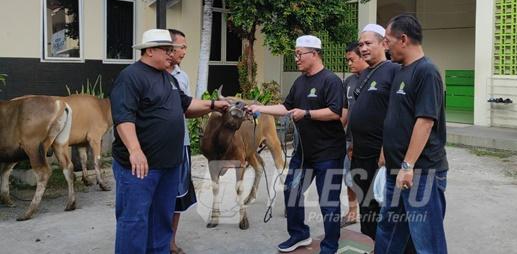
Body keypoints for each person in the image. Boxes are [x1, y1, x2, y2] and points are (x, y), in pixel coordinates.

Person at [111, 28, 229, 254]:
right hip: (140, 168)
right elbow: (123, 117)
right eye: (167, 49)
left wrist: (213, 105)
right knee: (134, 221)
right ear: (150, 50)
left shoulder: (168, 78)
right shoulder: (131, 76)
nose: (171, 54)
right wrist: (135, 150)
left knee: (161, 220)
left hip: (168, 165)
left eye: (171, 49)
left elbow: (186, 105)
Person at [248, 35, 346, 254]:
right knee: (291, 191)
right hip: (304, 154)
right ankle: (299, 234)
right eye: (295, 54)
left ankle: (330, 245)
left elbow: (335, 112)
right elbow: (286, 107)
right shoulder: (300, 82)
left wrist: (307, 113)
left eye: (299, 54)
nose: (296, 58)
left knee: (328, 202)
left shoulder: (330, 81)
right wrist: (259, 107)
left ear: (314, 53)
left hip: (328, 153)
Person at [375, 14, 449, 254]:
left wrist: (408, 165)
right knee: (389, 230)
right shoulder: (399, 71)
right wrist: (387, 152)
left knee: (426, 241)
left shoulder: (427, 72)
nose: (385, 46)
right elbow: (397, 116)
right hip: (396, 170)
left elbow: (425, 122)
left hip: (420, 172)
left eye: (387, 40)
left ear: (403, 39)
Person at [348, 24, 399, 242]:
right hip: (359, 153)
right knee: (365, 207)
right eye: (361, 44)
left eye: (369, 43)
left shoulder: (395, 71)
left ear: (383, 44)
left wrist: (385, 150)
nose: (364, 48)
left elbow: (397, 115)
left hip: (380, 156)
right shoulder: (364, 73)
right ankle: (370, 244)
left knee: (383, 210)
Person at [166, 29, 196, 254]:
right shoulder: (146, 76)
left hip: (181, 143)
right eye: (182, 47)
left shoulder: (181, 77)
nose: (185, 51)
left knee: (178, 196)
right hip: (155, 147)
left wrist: (213, 106)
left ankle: (170, 242)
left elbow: (187, 108)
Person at [340, 41, 369, 227]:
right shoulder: (348, 82)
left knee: (368, 180)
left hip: (368, 143)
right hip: (349, 140)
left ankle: (370, 215)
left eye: (351, 60)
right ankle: (352, 212)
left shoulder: (374, 79)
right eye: (347, 60)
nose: (349, 64)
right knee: (348, 177)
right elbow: (344, 112)